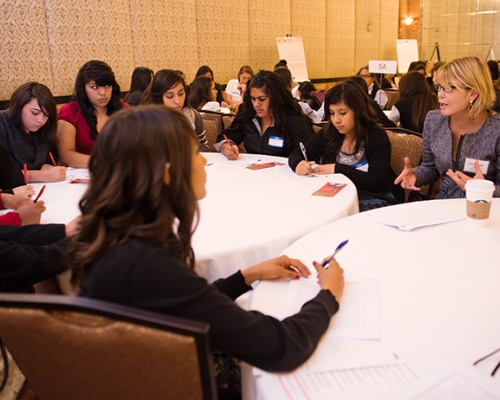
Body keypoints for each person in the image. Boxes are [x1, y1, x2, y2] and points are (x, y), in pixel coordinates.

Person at [69, 105, 344, 396]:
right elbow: (283, 346)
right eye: (193, 155)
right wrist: (329, 294)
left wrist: (247, 275)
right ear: (167, 174)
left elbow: (185, 304)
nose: (203, 162)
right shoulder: (146, 264)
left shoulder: (119, 239)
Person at [395, 56, 500, 199]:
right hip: (444, 205)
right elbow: (430, 167)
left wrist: (482, 189)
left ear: (473, 93)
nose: (440, 95)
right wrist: (415, 175)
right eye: (439, 87)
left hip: (484, 210)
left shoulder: (496, 129)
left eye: (449, 88)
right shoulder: (434, 120)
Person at [289, 81, 402, 210]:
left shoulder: (376, 136)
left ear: (358, 111)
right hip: (339, 194)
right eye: (332, 113)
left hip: (374, 197)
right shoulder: (330, 132)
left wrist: (339, 169)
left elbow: (376, 182)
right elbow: (298, 153)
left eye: (343, 113)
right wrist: (298, 164)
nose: (336, 120)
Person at [216, 70, 314, 158]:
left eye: (262, 99)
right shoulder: (248, 114)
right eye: (253, 99)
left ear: (276, 98)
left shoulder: (295, 121)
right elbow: (228, 137)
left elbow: (306, 156)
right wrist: (225, 147)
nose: (256, 104)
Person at [57, 60, 129, 168]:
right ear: (83, 89)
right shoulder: (70, 112)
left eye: (107, 86)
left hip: (121, 172)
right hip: (82, 174)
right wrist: (103, 163)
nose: (103, 92)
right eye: (95, 87)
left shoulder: (123, 109)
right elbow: (65, 154)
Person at [0, 82, 66, 182]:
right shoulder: (2, 124)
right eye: (35, 113)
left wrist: (46, 166)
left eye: (46, 115)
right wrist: (41, 175)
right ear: (18, 106)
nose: (41, 120)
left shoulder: (45, 127)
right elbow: (4, 175)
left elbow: (49, 158)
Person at [142, 69, 209, 151]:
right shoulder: (149, 120)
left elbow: (204, 145)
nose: (177, 101)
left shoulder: (193, 116)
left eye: (181, 94)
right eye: (170, 96)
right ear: (158, 97)